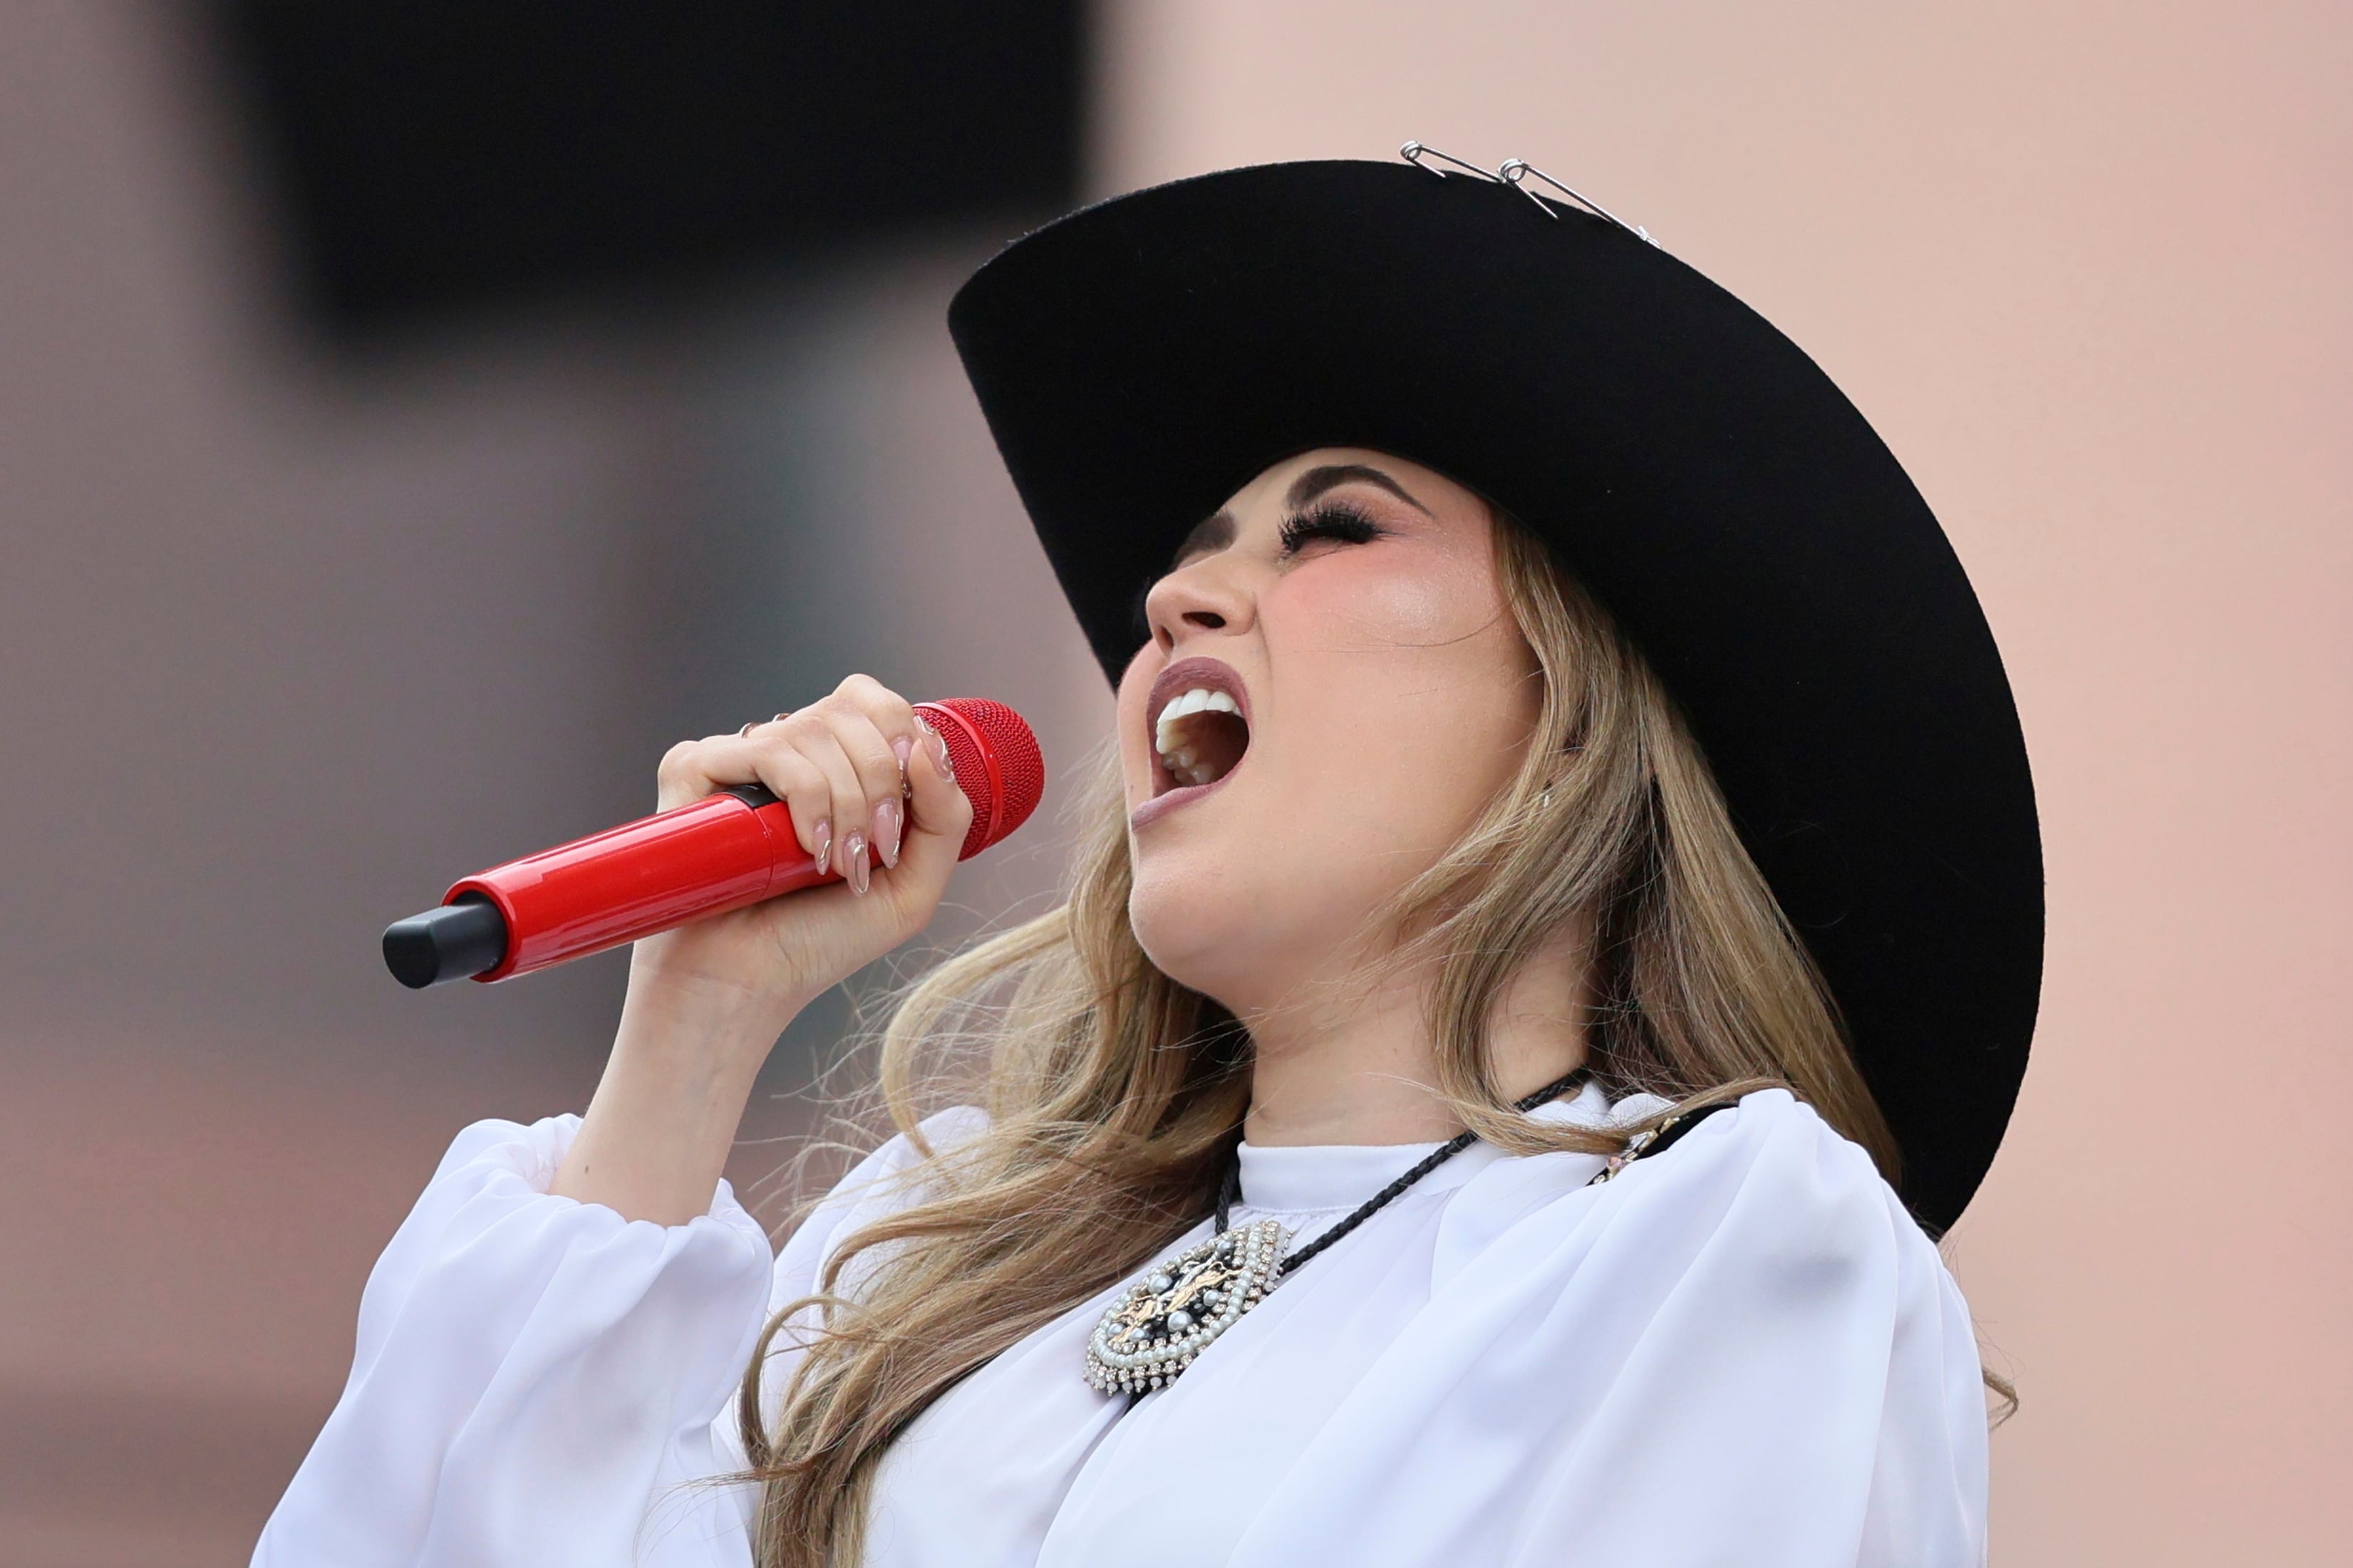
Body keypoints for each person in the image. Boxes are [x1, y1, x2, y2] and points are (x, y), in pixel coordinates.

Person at [254, 155, 2041, 1567]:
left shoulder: (1711, 1256)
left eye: (1335, 528)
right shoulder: (922, 1264)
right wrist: (692, 1031)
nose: (1174, 598)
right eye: (1189, 554)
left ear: (1577, 711)